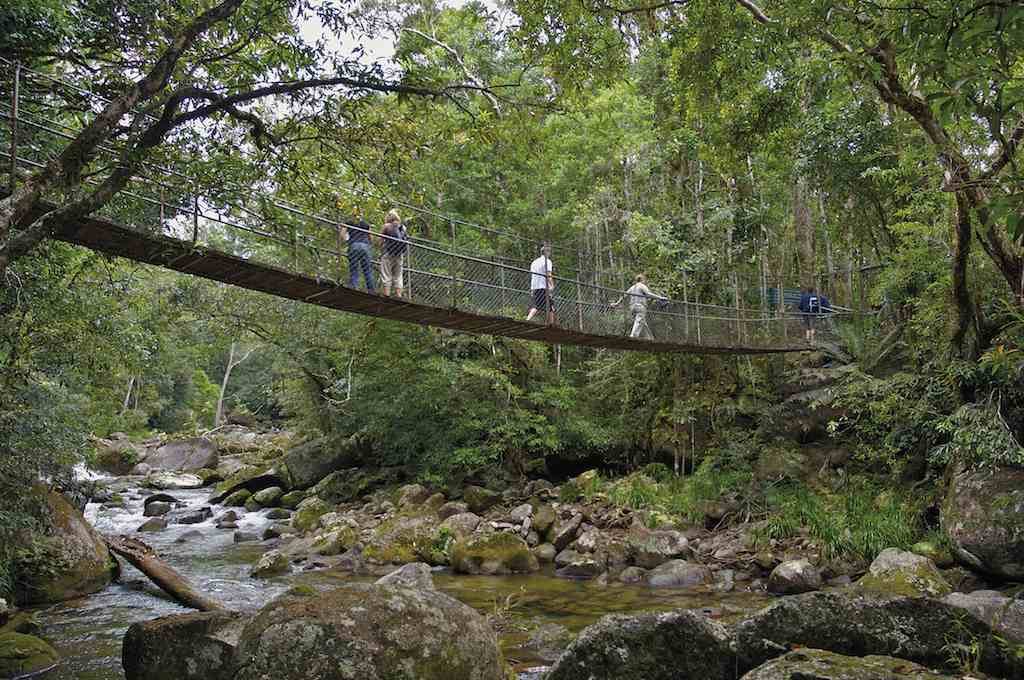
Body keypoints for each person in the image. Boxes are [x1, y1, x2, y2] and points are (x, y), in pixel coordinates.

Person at [611, 274, 666, 340]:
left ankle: (650, 338)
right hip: (640, 306)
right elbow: (648, 294)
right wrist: (660, 298)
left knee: (642, 323)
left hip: (632, 307)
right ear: (642, 279)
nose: (645, 281)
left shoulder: (632, 287)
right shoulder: (642, 286)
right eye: (645, 280)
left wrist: (617, 303)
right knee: (639, 321)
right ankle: (633, 336)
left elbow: (624, 295)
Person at [342, 214, 375, 293]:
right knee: (367, 270)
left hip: (354, 245)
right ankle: (371, 290)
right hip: (365, 247)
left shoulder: (349, 222)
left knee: (354, 268)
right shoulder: (366, 224)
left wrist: (347, 241)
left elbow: (342, 234)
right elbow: (371, 237)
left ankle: (354, 286)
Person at [379, 209, 407, 298]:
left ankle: (387, 294)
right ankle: (399, 294)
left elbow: (380, 240)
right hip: (399, 254)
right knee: (398, 275)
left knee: (386, 273)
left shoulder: (386, 226)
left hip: (388, 252)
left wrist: (379, 247)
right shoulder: (403, 227)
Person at [525, 245, 555, 324]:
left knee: (549, 306)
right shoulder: (547, 261)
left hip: (535, 287)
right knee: (540, 306)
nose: (550, 253)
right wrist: (551, 285)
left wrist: (532, 289)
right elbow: (548, 274)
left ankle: (551, 324)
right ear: (546, 252)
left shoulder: (534, 262)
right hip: (543, 287)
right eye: (549, 251)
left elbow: (532, 275)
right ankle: (527, 320)